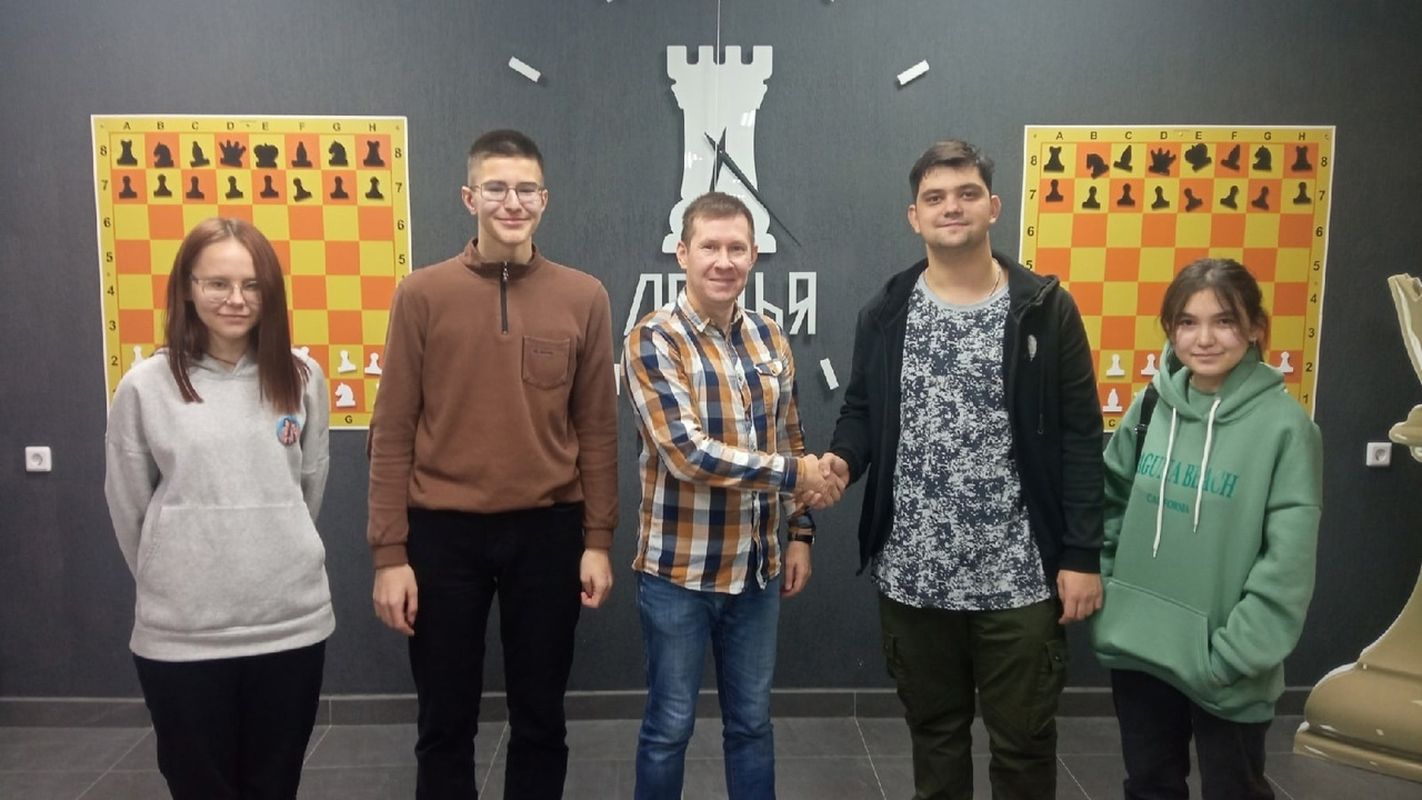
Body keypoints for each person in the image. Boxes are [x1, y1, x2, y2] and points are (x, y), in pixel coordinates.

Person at [823, 139, 1104, 799]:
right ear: (914, 217)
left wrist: (1082, 554)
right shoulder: (886, 312)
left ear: (993, 207)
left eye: (966, 193)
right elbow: (862, 410)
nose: (951, 207)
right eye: (935, 197)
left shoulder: (1045, 309)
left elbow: (1081, 438)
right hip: (915, 575)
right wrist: (842, 461)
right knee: (936, 740)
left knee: (1024, 746)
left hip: (1020, 577)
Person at [366, 129, 618, 798]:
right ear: (469, 197)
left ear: (545, 199)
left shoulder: (584, 296)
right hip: (442, 533)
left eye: (526, 189)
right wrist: (389, 554)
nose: (513, 202)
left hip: (549, 531)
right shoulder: (421, 294)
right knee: (444, 722)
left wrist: (598, 541)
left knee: (541, 718)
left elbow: (597, 428)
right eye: (497, 188)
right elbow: (391, 430)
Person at [104, 217, 333, 799]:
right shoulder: (145, 385)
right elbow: (129, 506)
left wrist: (272, 543)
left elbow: (308, 488)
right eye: (218, 283)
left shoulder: (302, 378)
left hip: (289, 626)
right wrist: (174, 572)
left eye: (252, 285)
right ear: (188, 288)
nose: (237, 299)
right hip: (183, 635)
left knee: (274, 786)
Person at [623, 191, 833, 799]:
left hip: (757, 573)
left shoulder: (770, 336)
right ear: (682, 253)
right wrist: (799, 474)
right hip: (678, 574)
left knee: (752, 726)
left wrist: (801, 533)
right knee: (669, 728)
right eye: (709, 247)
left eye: (736, 248)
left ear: (754, 255)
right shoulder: (653, 339)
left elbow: (790, 434)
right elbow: (687, 454)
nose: (723, 261)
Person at [1091, 258, 1322, 799]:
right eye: (1188, 322)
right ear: (1170, 330)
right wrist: (1110, 594)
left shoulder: (1287, 429)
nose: (1204, 339)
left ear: (1255, 328)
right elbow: (1107, 500)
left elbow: (1287, 561)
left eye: (1224, 321)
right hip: (1139, 648)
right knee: (1149, 787)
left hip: (1226, 662)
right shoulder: (1150, 406)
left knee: (1233, 791)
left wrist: (1234, 655)